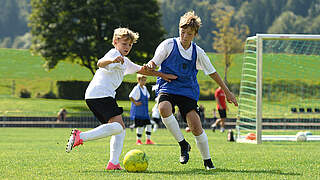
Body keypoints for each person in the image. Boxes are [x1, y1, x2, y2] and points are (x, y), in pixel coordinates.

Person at [65, 27, 177, 170]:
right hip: (100, 95)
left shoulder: (125, 61)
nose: (127, 47)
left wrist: (163, 76)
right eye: (124, 44)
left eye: (130, 45)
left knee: (120, 129)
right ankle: (80, 136)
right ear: (115, 42)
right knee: (118, 127)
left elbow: (142, 70)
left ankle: (113, 163)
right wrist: (112, 59)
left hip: (100, 96)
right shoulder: (113, 53)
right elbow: (100, 63)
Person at [145, 11, 238, 170]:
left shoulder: (198, 52)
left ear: (195, 35)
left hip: (188, 91)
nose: (185, 36)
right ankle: (183, 145)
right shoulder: (168, 45)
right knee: (163, 108)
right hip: (168, 87)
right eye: (183, 32)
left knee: (196, 126)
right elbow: (152, 64)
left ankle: (208, 162)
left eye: (189, 33)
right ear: (179, 29)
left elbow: (213, 73)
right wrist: (154, 68)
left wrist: (227, 92)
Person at [129, 74, 155, 145]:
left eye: (145, 80)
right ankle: (138, 141)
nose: (144, 81)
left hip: (145, 111)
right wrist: (136, 103)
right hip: (138, 111)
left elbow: (148, 96)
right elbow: (131, 96)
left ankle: (148, 140)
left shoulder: (145, 88)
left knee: (149, 125)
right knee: (140, 126)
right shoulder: (136, 88)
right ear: (138, 80)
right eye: (142, 80)